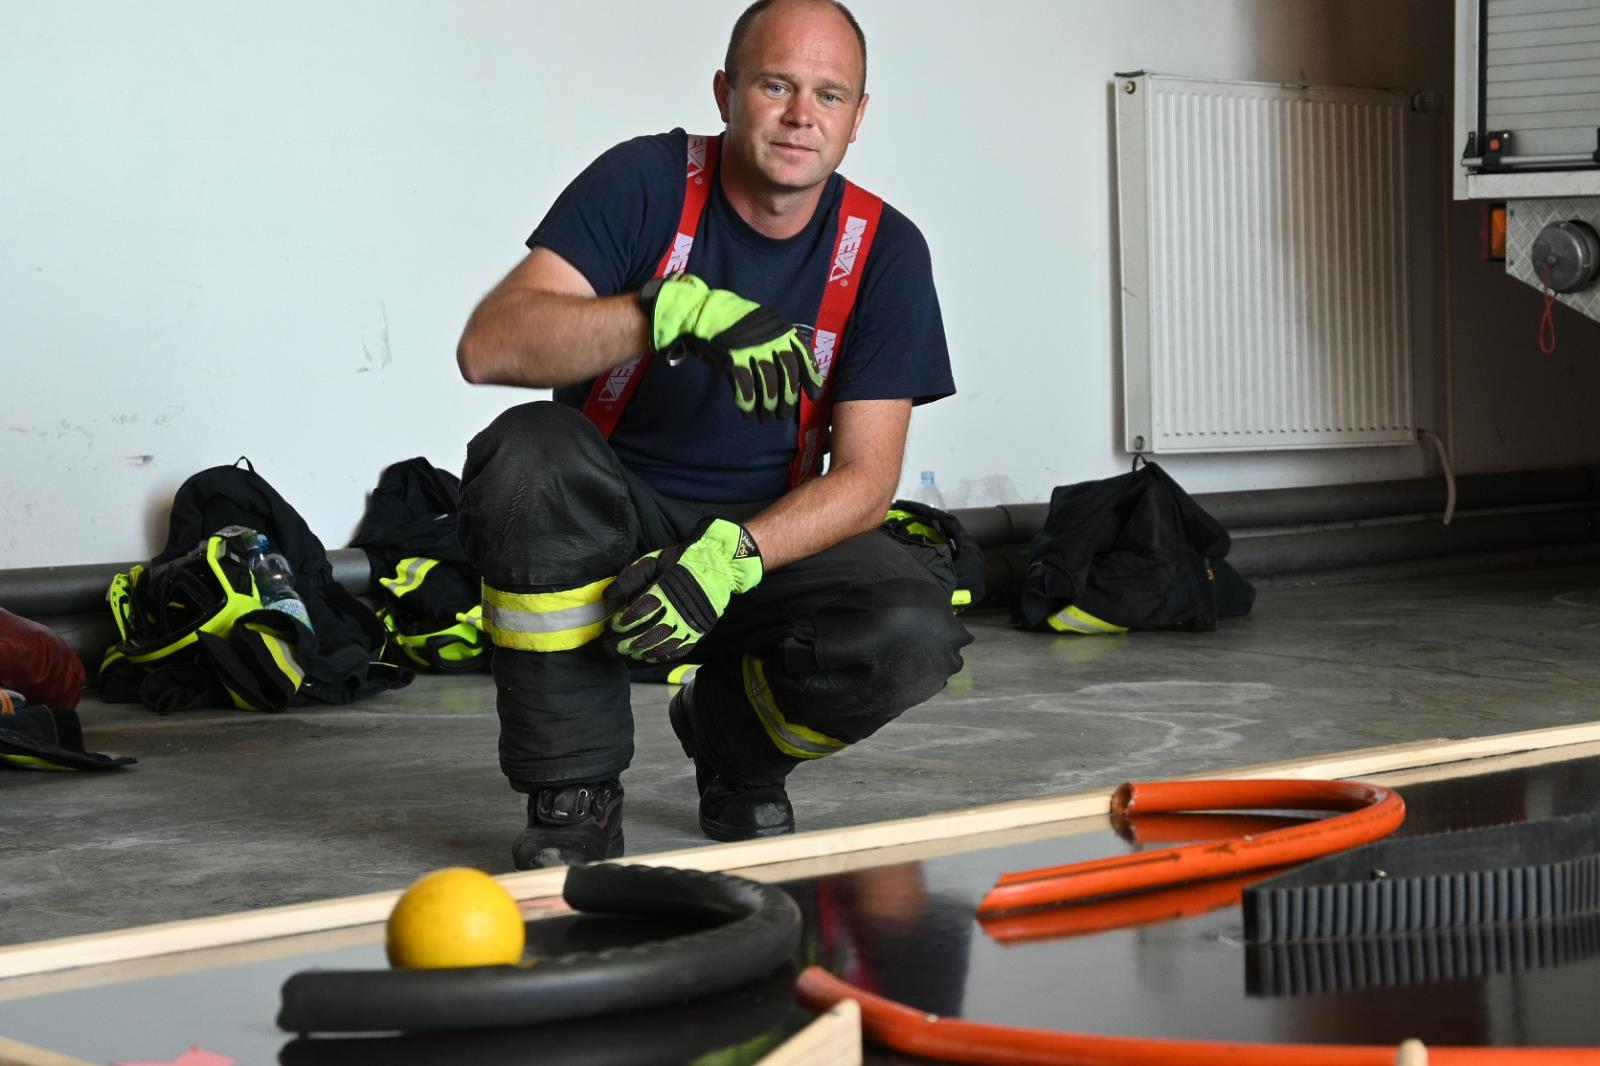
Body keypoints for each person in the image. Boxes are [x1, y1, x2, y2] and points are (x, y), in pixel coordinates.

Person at [454, 0, 971, 869]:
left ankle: (734, 749)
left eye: (829, 95)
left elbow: (869, 479)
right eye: (776, 85)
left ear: (858, 117)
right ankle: (574, 788)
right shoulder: (645, 182)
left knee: (911, 628)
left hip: (767, 536)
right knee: (527, 453)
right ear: (728, 91)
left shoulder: (883, 250)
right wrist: (667, 311)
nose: (802, 115)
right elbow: (491, 344)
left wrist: (736, 556)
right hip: (611, 520)